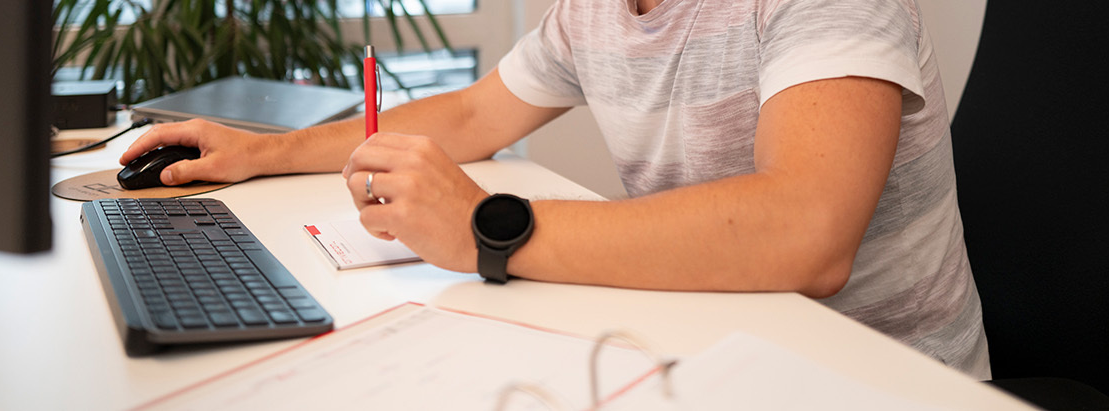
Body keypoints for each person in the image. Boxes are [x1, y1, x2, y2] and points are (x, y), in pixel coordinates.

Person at [121, 0, 991, 379]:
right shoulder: (596, 9)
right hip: (704, 346)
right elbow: (468, 115)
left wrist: (487, 229)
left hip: (866, 380)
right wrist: (263, 154)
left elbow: (808, 233)